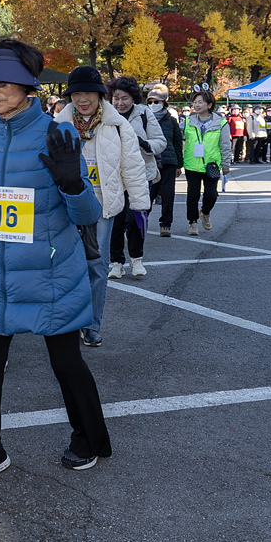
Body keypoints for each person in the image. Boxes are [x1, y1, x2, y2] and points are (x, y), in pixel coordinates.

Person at [0, 39, 111, 481]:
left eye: (1, 84)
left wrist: (72, 184)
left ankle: (90, 439)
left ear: (27, 87)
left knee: (67, 364)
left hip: (51, 273)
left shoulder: (58, 132)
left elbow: (87, 215)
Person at [54, 66, 149, 347]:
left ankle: (92, 323)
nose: (83, 99)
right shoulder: (58, 125)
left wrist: (140, 203)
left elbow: (132, 166)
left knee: (97, 265)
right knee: (66, 265)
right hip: (67, 206)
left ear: (100, 95)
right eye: (77, 93)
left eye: (89, 93)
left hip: (103, 205)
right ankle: (68, 319)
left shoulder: (119, 125)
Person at [106, 76, 166, 280]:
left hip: (141, 174)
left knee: (136, 218)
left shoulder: (144, 114)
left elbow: (160, 141)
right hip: (113, 175)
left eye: (125, 98)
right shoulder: (105, 115)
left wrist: (144, 144)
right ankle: (116, 262)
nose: (120, 103)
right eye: (116, 98)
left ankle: (136, 259)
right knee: (115, 219)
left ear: (134, 98)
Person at [182, 88, 232, 235]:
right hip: (191, 164)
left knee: (211, 195)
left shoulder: (221, 123)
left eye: (200, 102)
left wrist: (226, 164)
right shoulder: (187, 121)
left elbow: (225, 145)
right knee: (193, 195)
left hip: (211, 165)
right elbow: (180, 142)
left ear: (209, 105)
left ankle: (204, 212)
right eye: (195, 102)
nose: (196, 105)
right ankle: (192, 222)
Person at [147, 85, 184, 237]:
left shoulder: (172, 120)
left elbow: (177, 143)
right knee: (147, 195)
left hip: (168, 161)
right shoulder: (143, 118)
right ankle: (139, 222)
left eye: (157, 102)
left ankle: (166, 224)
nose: (153, 105)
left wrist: (179, 165)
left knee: (168, 194)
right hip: (149, 161)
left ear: (164, 103)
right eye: (150, 101)